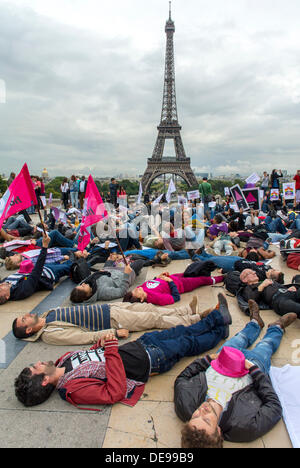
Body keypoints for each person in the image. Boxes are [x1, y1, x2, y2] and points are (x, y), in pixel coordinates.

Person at [14, 294, 233, 409]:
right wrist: (109, 345)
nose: (39, 362)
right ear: (43, 381)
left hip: (137, 347)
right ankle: (219, 327)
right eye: (36, 367)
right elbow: (114, 392)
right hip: (146, 360)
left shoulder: (63, 361)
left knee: (180, 331)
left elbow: (93, 352)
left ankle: (217, 319)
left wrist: (102, 344)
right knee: (187, 343)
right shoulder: (71, 389)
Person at [175, 300, 297, 447]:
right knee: (266, 345)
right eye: (206, 420)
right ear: (218, 431)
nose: (202, 410)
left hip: (221, 359)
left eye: (195, 416)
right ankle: (277, 327)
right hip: (252, 368)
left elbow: (182, 378)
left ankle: (255, 322)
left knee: (240, 338)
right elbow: (275, 408)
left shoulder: (184, 406)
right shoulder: (245, 428)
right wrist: (256, 373)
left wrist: (207, 360)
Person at [12, 296, 210, 345]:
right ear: (28, 330)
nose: (28, 315)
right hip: (111, 320)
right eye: (24, 319)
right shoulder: (49, 335)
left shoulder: (47, 314)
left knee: (148, 308)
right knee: (153, 319)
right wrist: (113, 334)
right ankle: (194, 320)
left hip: (111, 307)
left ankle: (185, 310)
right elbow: (82, 337)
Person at [0, 234, 72, 305]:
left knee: (69, 256)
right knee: (71, 265)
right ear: (7, 296)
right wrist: (44, 247)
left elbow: (25, 277)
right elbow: (35, 273)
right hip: (50, 273)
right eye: (0, 289)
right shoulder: (22, 290)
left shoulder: (5, 283)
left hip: (44, 267)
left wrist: (25, 275)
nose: (1, 285)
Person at [123, 271, 224, 306]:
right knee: (201, 280)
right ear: (141, 299)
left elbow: (152, 283)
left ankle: (207, 271)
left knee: (193, 271)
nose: (136, 288)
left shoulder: (142, 288)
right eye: (136, 292)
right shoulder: (155, 298)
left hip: (174, 277)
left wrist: (159, 277)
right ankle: (222, 278)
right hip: (182, 285)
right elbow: (175, 297)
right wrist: (170, 282)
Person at [70, 263, 135, 303]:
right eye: (83, 287)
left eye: (81, 285)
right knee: (138, 262)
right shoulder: (103, 292)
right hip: (121, 275)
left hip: (108, 270)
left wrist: (98, 272)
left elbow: (85, 281)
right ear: (88, 295)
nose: (83, 284)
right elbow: (122, 291)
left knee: (113, 255)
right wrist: (127, 274)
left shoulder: (87, 283)